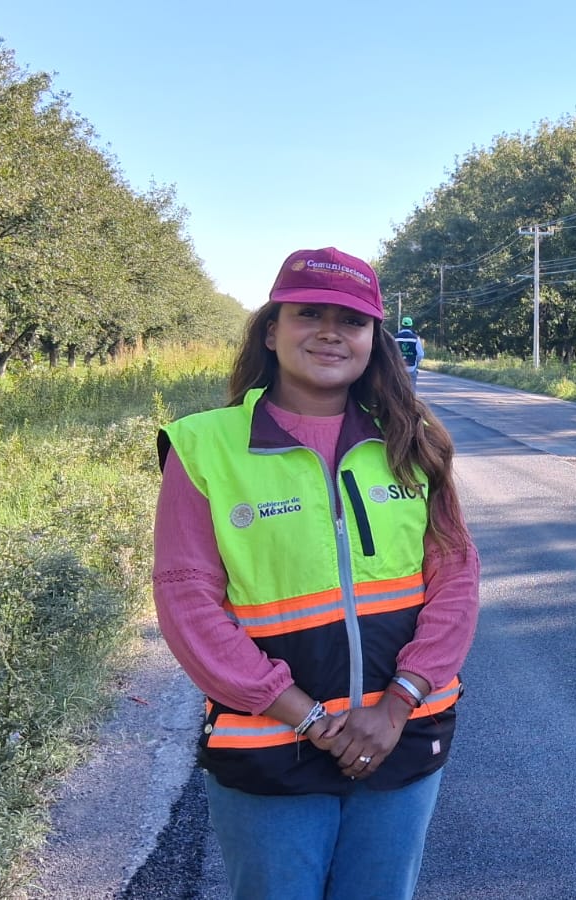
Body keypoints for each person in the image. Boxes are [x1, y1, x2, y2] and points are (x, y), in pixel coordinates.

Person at [152, 247, 479, 900]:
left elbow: (456, 580)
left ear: (373, 341)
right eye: (309, 314)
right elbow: (187, 603)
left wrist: (396, 705)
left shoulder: (413, 440)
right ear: (271, 331)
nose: (330, 332)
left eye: (351, 321)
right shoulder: (204, 446)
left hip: (402, 737)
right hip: (270, 746)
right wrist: (307, 718)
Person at [396, 316, 424, 386]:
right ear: (411, 326)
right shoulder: (415, 338)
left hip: (398, 369)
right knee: (412, 388)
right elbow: (420, 354)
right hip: (411, 368)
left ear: (402, 325)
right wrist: (416, 362)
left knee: (397, 388)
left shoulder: (395, 337)